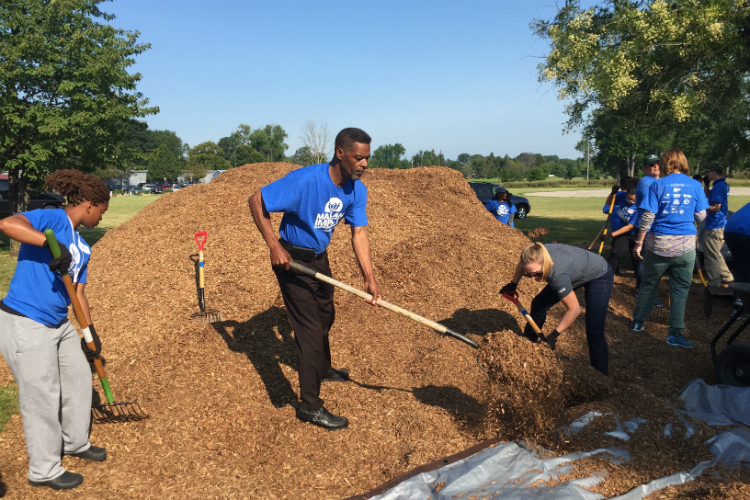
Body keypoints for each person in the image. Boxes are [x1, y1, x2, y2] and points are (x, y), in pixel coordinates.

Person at [248, 127, 382, 431]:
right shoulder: (304, 181)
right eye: (359, 158)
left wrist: (369, 277)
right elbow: (256, 200)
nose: (365, 164)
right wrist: (274, 246)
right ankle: (310, 406)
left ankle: (321, 368)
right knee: (309, 332)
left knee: (326, 314)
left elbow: (358, 232)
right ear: (340, 153)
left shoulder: (356, 189)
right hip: (292, 261)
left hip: (319, 259)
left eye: (367, 158)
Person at [0, 170, 109, 490]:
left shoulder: (84, 248)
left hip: (59, 323)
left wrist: (89, 333)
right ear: (89, 205)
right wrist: (50, 245)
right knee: (41, 395)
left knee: (77, 377)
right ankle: (44, 469)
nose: (102, 218)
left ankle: (75, 443)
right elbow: (7, 224)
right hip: (25, 320)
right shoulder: (54, 220)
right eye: (102, 211)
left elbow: (78, 293)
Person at [630, 149, 709, 347]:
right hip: (685, 246)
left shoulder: (657, 184)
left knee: (649, 284)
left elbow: (647, 217)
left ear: (665, 164)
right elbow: (701, 216)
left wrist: (639, 242)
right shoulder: (695, 185)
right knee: (680, 290)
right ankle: (675, 334)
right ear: (683, 163)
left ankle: (638, 322)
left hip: (658, 244)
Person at [499, 242, 613, 375]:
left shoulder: (556, 274)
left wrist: (553, 336)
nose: (533, 278)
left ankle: (600, 376)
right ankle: (528, 342)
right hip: (573, 268)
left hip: (599, 274)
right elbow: (521, 264)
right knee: (538, 304)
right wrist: (513, 285)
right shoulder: (532, 254)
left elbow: (575, 309)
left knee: (594, 329)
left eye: (537, 274)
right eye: (529, 274)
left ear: (545, 265)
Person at [703, 163, 733, 288]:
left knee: (711, 256)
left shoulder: (719, 187)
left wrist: (700, 207)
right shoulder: (721, 184)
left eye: (708, 172)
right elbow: (709, 197)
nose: (707, 174)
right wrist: (706, 185)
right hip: (718, 225)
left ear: (713, 172)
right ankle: (729, 279)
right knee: (715, 254)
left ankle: (714, 283)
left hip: (715, 225)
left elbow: (715, 207)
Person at [633, 155, 661, 292]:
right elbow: (649, 208)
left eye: (657, 163)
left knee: (652, 261)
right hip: (644, 227)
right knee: (644, 260)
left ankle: (648, 289)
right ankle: (642, 290)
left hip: (654, 227)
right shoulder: (646, 182)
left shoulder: (659, 181)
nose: (656, 166)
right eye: (651, 164)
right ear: (645, 168)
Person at [602, 185, 639, 275]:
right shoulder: (621, 195)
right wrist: (612, 193)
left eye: (633, 200)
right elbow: (609, 204)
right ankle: (608, 275)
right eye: (629, 199)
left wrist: (610, 235)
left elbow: (630, 227)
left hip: (636, 233)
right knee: (615, 253)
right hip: (622, 232)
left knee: (636, 257)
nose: (631, 202)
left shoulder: (640, 207)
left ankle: (639, 279)